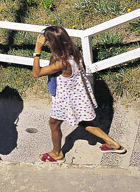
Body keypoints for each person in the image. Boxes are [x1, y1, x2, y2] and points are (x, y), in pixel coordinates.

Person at [33, 25, 126, 162]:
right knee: (83, 122)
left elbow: (36, 73)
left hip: (66, 100)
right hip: (77, 96)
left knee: (54, 124)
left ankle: (56, 153)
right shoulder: (72, 52)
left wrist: (37, 50)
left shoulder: (62, 63)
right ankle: (112, 144)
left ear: (53, 43)